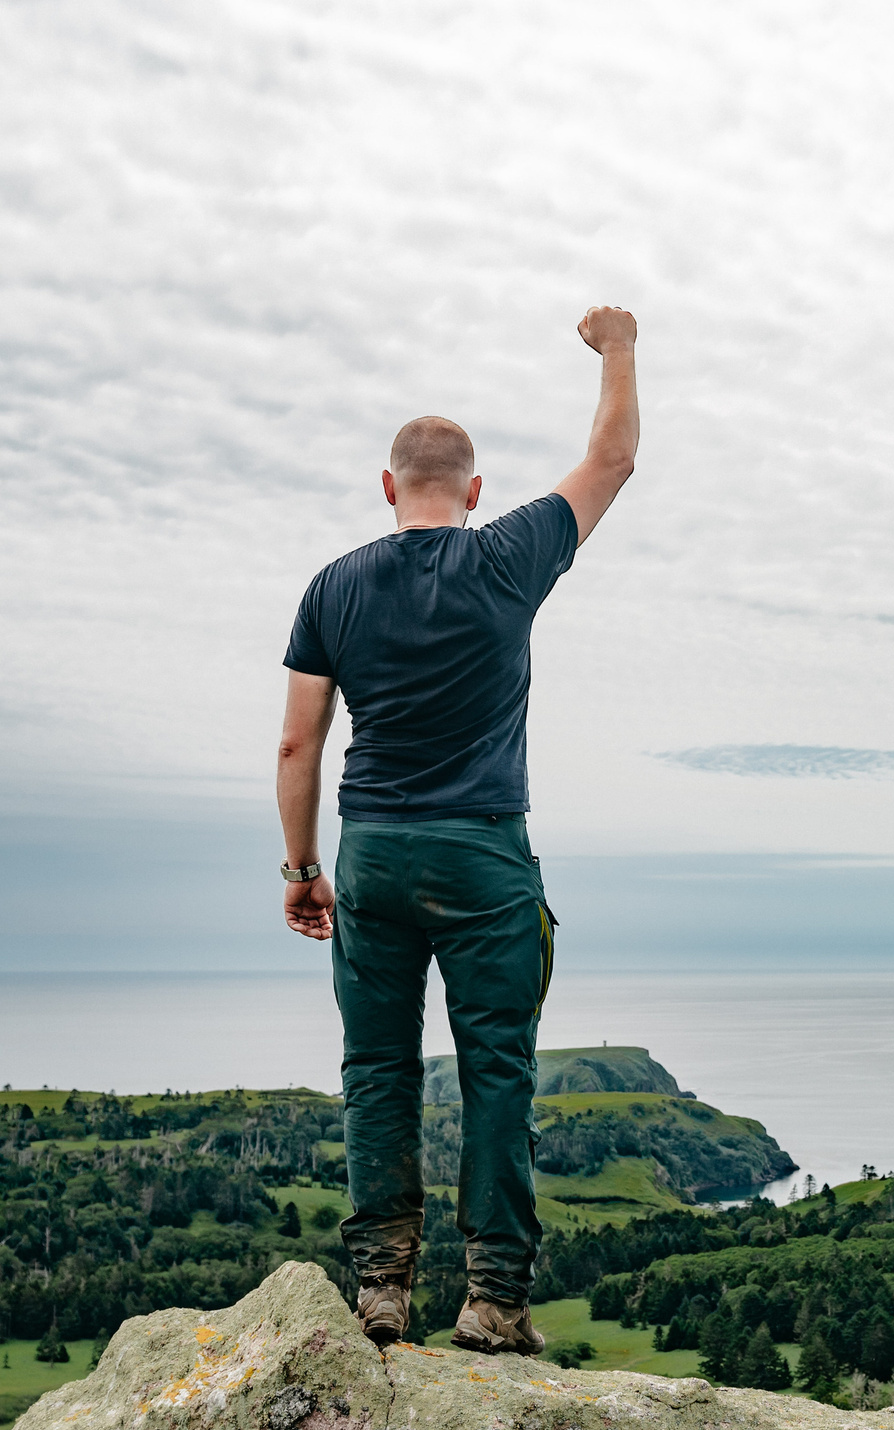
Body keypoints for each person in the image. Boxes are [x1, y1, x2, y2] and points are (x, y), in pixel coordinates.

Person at [275, 306, 639, 1353]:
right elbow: (611, 459)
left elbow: (300, 745)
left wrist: (303, 868)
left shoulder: (332, 587)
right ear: (474, 492)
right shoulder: (506, 557)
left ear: (388, 488)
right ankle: (491, 1304)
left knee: (378, 1071)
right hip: (482, 852)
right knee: (497, 1073)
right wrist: (615, 347)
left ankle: (382, 1292)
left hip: (372, 853)